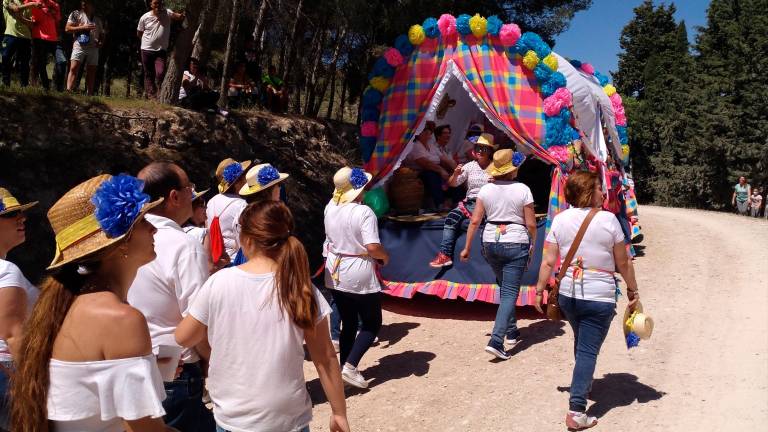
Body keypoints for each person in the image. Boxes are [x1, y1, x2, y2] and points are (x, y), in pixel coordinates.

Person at [11, 174, 171, 431]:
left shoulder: (68, 306)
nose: (154, 228)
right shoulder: (120, 319)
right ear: (121, 242)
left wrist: (148, 368)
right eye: (143, 221)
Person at [175, 201, 350, 432]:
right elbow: (325, 358)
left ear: (246, 239)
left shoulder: (219, 283)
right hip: (289, 419)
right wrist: (339, 412)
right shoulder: (300, 286)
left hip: (234, 418)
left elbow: (184, 337)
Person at [533, 170, 640, 431]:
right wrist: (633, 290)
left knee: (582, 342)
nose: (603, 194)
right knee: (588, 350)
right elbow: (623, 261)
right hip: (598, 297)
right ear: (587, 192)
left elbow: (548, 261)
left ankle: (583, 382)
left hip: (568, 295)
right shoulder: (609, 221)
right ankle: (577, 410)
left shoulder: (559, 220)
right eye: (599, 189)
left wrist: (538, 291)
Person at [128, 162, 215, 431]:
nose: (194, 194)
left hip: (134, 364)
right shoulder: (185, 246)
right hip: (174, 371)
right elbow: (197, 319)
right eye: (190, 188)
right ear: (174, 197)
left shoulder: (125, 237)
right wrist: (213, 362)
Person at [460, 149, 536, 360]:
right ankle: (496, 339)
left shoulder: (485, 190)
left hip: (490, 242)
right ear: (513, 168)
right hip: (516, 241)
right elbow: (531, 224)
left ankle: (511, 330)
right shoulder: (523, 189)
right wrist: (533, 245)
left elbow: (475, 221)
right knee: (510, 291)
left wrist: (466, 247)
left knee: (504, 287)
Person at [324, 166, 389, 389]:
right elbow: (372, 246)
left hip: (335, 268)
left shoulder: (330, 206)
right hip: (357, 268)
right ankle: (350, 366)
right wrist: (384, 257)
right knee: (372, 321)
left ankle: (344, 366)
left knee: (349, 319)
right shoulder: (363, 212)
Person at [0, 188, 38, 430]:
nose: (21, 218)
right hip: (8, 373)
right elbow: (13, 336)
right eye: (11, 215)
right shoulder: (6, 271)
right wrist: (35, 386)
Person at [430, 133, 495, 268]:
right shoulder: (469, 166)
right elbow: (453, 184)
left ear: (490, 151)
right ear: (473, 150)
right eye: (478, 148)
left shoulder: (496, 167)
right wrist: (455, 174)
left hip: (489, 203)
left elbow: (507, 184)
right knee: (451, 218)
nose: (480, 151)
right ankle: (445, 254)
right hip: (471, 202)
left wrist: (497, 181)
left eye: (484, 148)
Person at [207, 158, 250, 267]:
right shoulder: (241, 205)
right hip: (236, 260)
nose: (246, 180)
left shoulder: (212, 201)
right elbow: (243, 238)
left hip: (217, 260)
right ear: (237, 183)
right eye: (243, 177)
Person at [137, 0, 184, 99]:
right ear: (151, 5)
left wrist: (183, 14)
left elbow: (177, 16)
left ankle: (159, 91)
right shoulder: (144, 17)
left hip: (161, 50)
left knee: (160, 72)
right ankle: (152, 96)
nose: (158, 5)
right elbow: (139, 32)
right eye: (155, 3)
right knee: (149, 74)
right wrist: (148, 41)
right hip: (146, 50)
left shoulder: (167, 12)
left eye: (159, 3)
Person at [406, 124, 452, 211]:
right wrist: (441, 170)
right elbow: (425, 163)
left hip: (434, 170)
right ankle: (440, 203)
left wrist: (456, 169)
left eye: (429, 131)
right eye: (424, 131)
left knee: (453, 175)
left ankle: (456, 201)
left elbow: (443, 159)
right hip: (418, 172)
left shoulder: (431, 146)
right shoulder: (415, 145)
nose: (428, 133)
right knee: (431, 175)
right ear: (418, 133)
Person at [65, 0, 103, 95]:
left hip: (93, 47)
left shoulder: (98, 18)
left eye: (87, 2)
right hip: (79, 45)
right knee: (73, 68)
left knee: (91, 71)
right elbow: (67, 28)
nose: (84, 4)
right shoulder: (75, 14)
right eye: (83, 2)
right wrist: (83, 27)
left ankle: (89, 94)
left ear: (92, 5)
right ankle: (69, 91)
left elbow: (102, 33)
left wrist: (101, 42)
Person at [29, 0, 64, 91]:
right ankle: (46, 87)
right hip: (39, 37)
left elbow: (58, 22)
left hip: (54, 39)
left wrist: (53, 13)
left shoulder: (55, 5)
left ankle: (59, 88)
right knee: (41, 63)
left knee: (62, 61)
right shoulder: (34, 1)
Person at [2, 0, 37, 88]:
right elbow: (15, 9)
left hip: (26, 37)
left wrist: (20, 18)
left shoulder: (27, 5)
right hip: (10, 34)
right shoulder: (8, 0)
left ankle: (24, 86)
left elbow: (32, 25)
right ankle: (6, 84)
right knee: (6, 57)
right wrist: (31, 4)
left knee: (24, 63)